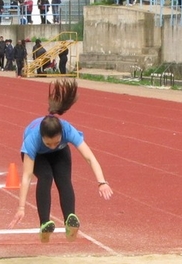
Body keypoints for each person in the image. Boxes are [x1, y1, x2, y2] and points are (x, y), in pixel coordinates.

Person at [9, 79, 113, 243]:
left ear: (61, 135)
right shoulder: (32, 140)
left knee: (64, 179)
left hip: (61, 153)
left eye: (55, 142)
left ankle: (70, 220)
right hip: (38, 156)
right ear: (41, 137)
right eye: (48, 143)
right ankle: (44, 223)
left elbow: (89, 157)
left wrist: (102, 182)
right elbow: (27, 176)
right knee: (46, 177)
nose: (51, 146)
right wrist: (21, 207)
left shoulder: (67, 130)